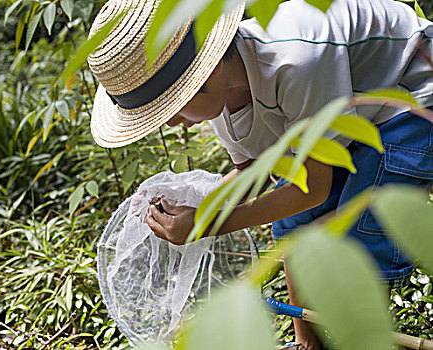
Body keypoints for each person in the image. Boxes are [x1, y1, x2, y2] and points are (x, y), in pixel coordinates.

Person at [87, 0, 433, 348]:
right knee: (290, 227)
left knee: (362, 235)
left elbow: (311, 188)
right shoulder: (221, 98)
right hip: (354, 112)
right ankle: (306, 342)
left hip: (412, 99)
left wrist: (208, 224)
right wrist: (194, 204)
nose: (168, 122)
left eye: (169, 107)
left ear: (210, 69)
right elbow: (251, 170)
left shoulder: (296, 61)